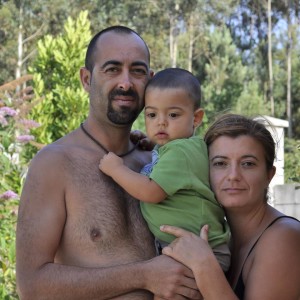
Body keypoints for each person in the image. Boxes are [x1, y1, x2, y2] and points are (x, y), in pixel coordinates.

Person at [16, 26, 202, 300]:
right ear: (86, 79)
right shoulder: (55, 164)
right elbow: (32, 285)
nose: (125, 83)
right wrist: (145, 275)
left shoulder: (157, 162)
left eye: (137, 71)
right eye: (112, 69)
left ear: (150, 80)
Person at [99, 68, 230, 272]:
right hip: (195, 249)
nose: (161, 122)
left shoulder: (181, 152)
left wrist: (116, 170)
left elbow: (151, 191)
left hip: (203, 251)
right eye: (152, 114)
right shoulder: (182, 149)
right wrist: (153, 146)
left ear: (196, 119)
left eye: (173, 114)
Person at [159, 113, 300, 300]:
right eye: (220, 163)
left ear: (269, 175)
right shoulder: (224, 240)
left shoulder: (283, 237)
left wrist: (204, 266)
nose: (233, 175)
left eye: (248, 164)